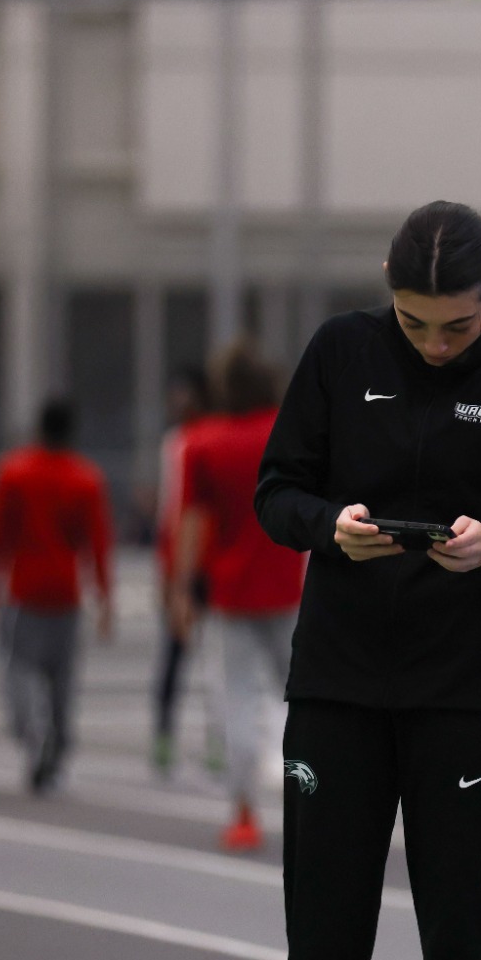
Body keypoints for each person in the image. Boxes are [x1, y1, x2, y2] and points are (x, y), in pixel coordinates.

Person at [255, 201, 481, 960]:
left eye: (458, 325)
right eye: (415, 323)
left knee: (466, 950)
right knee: (324, 949)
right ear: (386, 292)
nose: (437, 344)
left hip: (464, 695)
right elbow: (276, 491)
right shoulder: (341, 350)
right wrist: (330, 523)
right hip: (339, 687)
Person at [171, 341, 304, 852]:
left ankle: (245, 810)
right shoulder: (287, 431)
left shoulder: (203, 442)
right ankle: (319, 800)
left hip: (230, 595)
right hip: (289, 587)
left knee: (236, 705)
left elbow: (192, 522)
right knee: (305, 701)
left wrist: (183, 590)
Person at [0, 398, 115, 794]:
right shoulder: (86, 479)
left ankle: (34, 734)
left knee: (20, 668)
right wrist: (105, 598)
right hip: (66, 592)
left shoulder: (13, 472)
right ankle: (58, 740)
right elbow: (98, 544)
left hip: (23, 590)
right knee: (62, 678)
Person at [150, 365, 211, 776]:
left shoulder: (209, 440)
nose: (178, 402)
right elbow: (170, 511)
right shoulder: (175, 443)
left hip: (214, 563)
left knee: (218, 661)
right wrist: (169, 573)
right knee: (174, 655)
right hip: (183, 560)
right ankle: (164, 736)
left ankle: (219, 740)